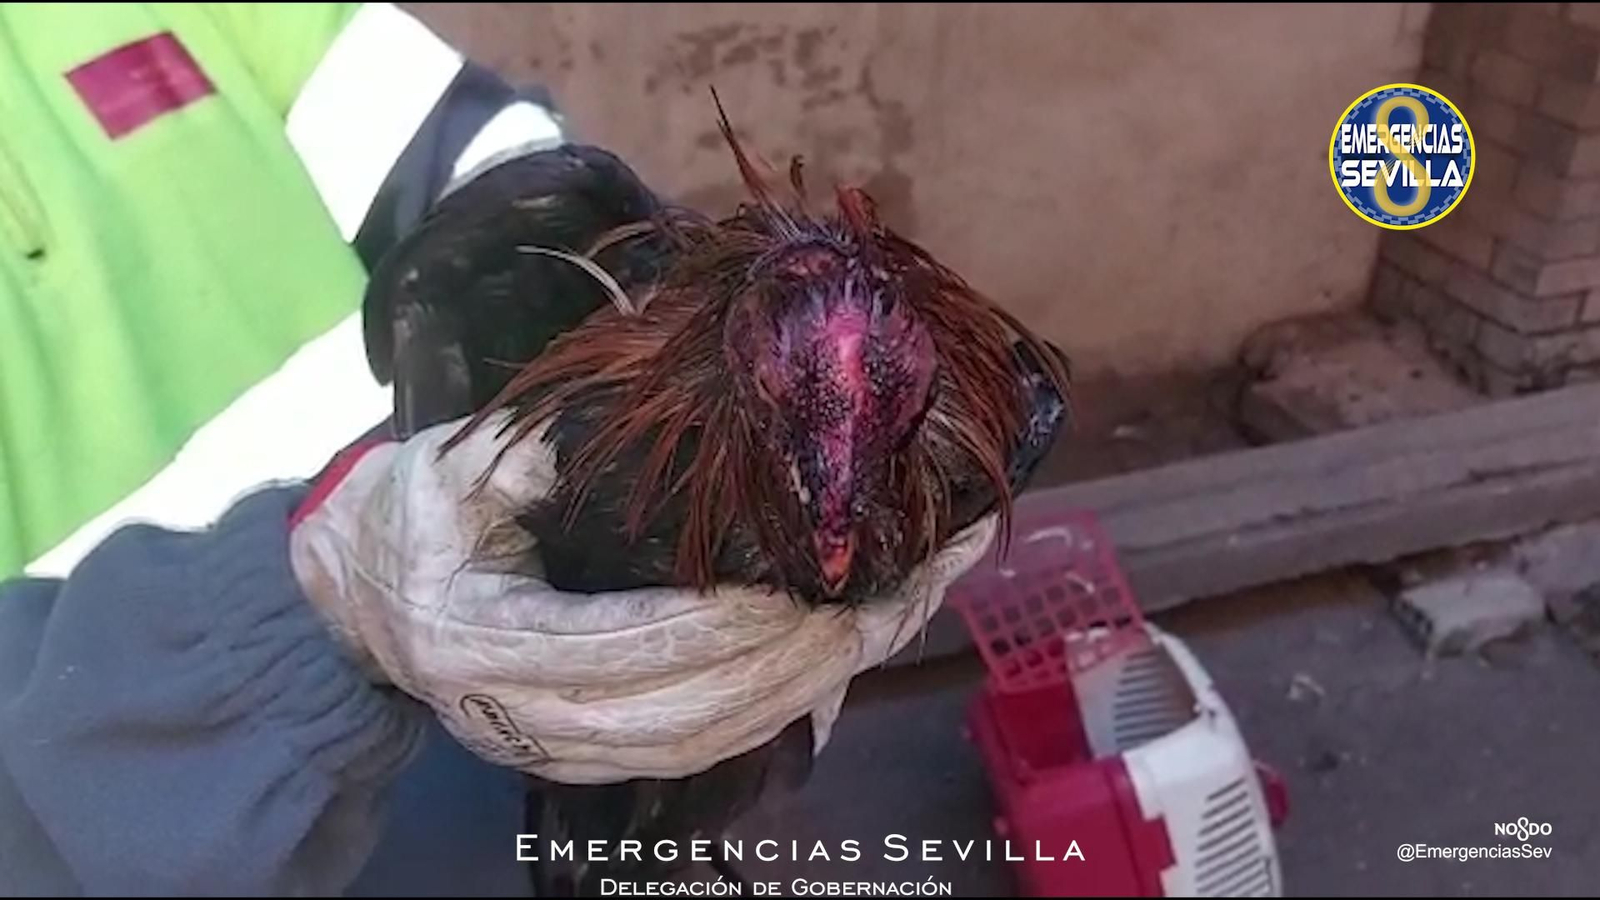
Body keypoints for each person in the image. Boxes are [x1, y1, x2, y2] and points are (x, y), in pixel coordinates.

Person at [0, 5, 997, 895]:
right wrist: (307, 604)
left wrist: (636, 294)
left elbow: (474, 154)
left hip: (535, 762)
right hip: (182, 839)